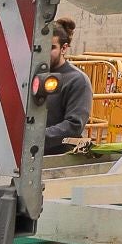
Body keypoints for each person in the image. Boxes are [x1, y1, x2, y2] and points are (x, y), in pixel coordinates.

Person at [44, 19, 93, 153]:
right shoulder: (31, 75)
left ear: (64, 48)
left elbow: (74, 125)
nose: (44, 53)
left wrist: (36, 136)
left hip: (58, 158)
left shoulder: (77, 80)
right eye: (40, 47)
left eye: (51, 47)